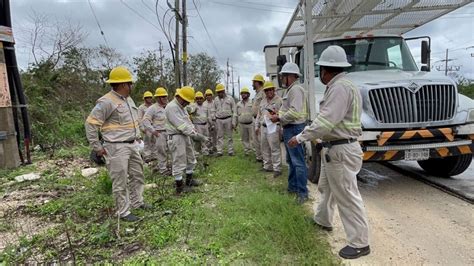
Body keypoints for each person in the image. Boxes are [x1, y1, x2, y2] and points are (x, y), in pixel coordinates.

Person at [288, 45, 370, 259]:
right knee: (326, 188)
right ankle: (322, 220)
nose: (320, 74)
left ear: (325, 69)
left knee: (347, 196)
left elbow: (325, 122)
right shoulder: (344, 85)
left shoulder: (339, 88)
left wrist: (300, 137)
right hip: (334, 148)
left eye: (320, 70)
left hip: (341, 149)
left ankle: (360, 243)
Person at [85, 66, 149, 222]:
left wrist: (138, 137)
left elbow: (133, 121)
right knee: (120, 180)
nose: (131, 86)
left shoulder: (129, 100)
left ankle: (137, 202)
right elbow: (91, 123)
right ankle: (124, 211)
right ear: (123, 85)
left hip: (132, 144)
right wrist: (97, 147)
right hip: (116, 147)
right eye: (129, 83)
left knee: (137, 174)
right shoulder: (106, 102)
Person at [269, 62, 308, 204]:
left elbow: (295, 112)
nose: (281, 79)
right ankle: (293, 188)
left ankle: (302, 193)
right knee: (291, 161)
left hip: (295, 128)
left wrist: (279, 117)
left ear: (290, 76)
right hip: (289, 128)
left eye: (283, 76)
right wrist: (278, 114)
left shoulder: (296, 90)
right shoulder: (290, 90)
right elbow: (288, 110)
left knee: (298, 162)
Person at [165, 86, 208, 194]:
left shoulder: (181, 107)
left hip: (185, 135)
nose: (187, 104)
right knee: (178, 160)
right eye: (186, 101)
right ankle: (179, 186)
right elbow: (181, 125)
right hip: (176, 136)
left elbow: (188, 122)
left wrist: (193, 131)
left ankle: (189, 180)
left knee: (190, 157)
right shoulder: (171, 107)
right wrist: (195, 135)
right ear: (180, 97)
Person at [256, 81, 283, 178]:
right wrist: (257, 126)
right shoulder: (263, 101)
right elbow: (259, 114)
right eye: (266, 90)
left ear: (273, 90)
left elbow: (282, 114)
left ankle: (277, 168)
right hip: (263, 127)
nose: (268, 92)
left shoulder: (279, 100)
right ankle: (267, 166)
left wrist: (281, 127)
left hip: (274, 127)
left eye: (270, 90)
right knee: (264, 147)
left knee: (274, 148)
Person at [142, 87, 170, 175]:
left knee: (171, 150)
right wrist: (153, 131)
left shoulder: (169, 107)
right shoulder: (153, 108)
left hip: (170, 132)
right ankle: (163, 170)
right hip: (160, 133)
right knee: (161, 151)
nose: (165, 98)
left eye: (165, 96)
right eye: (162, 97)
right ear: (158, 98)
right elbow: (145, 120)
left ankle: (170, 167)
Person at [212, 83, 237, 156]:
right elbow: (213, 109)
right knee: (219, 136)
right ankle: (220, 151)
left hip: (228, 119)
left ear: (224, 91)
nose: (220, 93)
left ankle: (230, 151)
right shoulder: (215, 100)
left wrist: (234, 121)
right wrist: (214, 117)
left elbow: (234, 110)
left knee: (230, 136)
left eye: (221, 91)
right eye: (218, 92)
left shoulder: (230, 98)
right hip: (219, 120)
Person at [189, 91, 210, 156]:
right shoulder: (193, 106)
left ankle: (205, 151)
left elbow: (208, 115)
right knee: (198, 139)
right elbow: (190, 111)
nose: (199, 100)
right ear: (195, 99)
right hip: (197, 125)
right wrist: (193, 111)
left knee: (206, 138)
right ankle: (196, 152)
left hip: (205, 124)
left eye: (200, 98)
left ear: (203, 98)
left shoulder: (205, 106)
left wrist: (210, 124)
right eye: (197, 98)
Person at [251, 74, 265, 162]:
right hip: (255, 118)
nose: (252, 84)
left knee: (261, 140)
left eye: (253, 82)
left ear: (257, 82)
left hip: (260, 119)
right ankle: (259, 157)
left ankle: (265, 158)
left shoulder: (263, 93)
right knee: (255, 139)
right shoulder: (256, 94)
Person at [138, 91, 154, 162]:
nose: (149, 99)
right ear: (144, 99)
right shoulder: (141, 108)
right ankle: (147, 157)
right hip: (146, 128)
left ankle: (154, 156)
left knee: (155, 142)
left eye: (150, 97)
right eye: (148, 98)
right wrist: (142, 128)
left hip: (154, 127)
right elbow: (139, 118)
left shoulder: (154, 106)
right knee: (147, 142)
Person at [236, 87, 253, 156]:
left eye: (245, 93)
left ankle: (255, 151)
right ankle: (247, 151)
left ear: (248, 94)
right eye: (242, 93)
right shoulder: (238, 104)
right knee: (244, 138)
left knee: (253, 138)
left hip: (251, 123)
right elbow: (236, 114)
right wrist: (235, 123)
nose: (243, 95)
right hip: (242, 124)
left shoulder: (252, 102)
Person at [203, 89, 217, 154]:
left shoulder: (215, 103)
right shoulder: (204, 104)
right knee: (208, 136)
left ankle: (215, 147)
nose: (208, 96)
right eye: (207, 95)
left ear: (212, 96)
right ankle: (209, 148)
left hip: (215, 121)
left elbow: (218, 111)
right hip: (207, 123)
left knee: (215, 135)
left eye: (210, 95)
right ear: (205, 96)